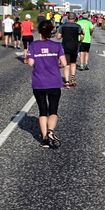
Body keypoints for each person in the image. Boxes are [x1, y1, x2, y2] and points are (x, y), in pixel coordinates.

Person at [25, 20, 69, 148]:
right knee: (53, 111)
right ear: (51, 32)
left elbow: (30, 63)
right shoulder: (57, 46)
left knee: (42, 111)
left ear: (39, 32)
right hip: (54, 82)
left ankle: (44, 140)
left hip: (39, 83)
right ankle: (50, 131)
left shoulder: (33, 45)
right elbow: (64, 63)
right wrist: (56, 65)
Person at [59, 12, 82, 86]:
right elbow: (81, 36)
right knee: (73, 63)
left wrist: (63, 35)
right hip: (74, 46)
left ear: (67, 18)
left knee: (66, 64)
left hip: (65, 46)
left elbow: (58, 36)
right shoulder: (78, 26)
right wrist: (80, 42)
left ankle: (66, 81)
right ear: (75, 18)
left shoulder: (63, 26)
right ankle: (72, 77)